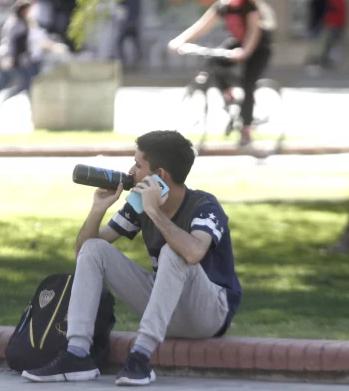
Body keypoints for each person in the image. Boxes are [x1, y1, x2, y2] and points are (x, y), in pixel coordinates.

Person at [22, 130, 242, 386]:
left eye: (138, 165)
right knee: (94, 248)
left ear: (159, 175)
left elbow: (193, 252)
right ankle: (77, 354)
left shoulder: (204, 206)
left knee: (175, 250)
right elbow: (83, 253)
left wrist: (154, 212)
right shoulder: (138, 205)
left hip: (208, 314)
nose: (131, 171)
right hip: (165, 310)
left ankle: (139, 357)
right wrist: (98, 209)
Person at [167, 0, 276, 148]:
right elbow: (202, 26)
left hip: (258, 48)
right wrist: (180, 41)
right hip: (239, 42)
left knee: (248, 85)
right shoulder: (223, 6)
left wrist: (244, 53)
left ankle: (246, 130)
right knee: (212, 60)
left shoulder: (250, 6)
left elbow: (253, 34)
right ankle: (230, 94)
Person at [0, 0, 40, 118]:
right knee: (23, 84)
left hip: (18, 59)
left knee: (6, 83)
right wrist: (11, 58)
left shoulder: (25, 22)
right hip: (10, 59)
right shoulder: (15, 23)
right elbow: (10, 42)